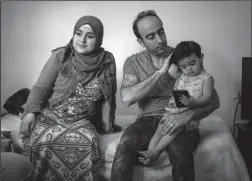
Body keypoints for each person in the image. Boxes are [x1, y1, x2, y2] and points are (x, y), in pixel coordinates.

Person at [111, 10, 219, 181]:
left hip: (180, 118)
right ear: (141, 41)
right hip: (146, 119)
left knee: (181, 153)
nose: (160, 40)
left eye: (161, 31)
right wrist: (161, 72)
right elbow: (127, 98)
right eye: (151, 36)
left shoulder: (183, 56)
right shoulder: (133, 62)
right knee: (124, 149)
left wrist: (188, 115)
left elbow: (214, 100)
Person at [20, 15, 121, 181]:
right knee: (42, 139)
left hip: (82, 120)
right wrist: (29, 112)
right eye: (78, 33)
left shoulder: (107, 60)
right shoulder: (61, 55)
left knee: (88, 141)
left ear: (99, 39)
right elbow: (41, 87)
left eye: (90, 36)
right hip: (51, 115)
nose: (82, 40)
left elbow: (110, 96)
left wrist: (107, 123)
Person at [139, 41, 215, 165]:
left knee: (173, 129)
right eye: (183, 66)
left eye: (192, 63)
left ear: (201, 58)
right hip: (173, 111)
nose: (189, 69)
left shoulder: (206, 79)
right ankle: (149, 153)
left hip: (188, 119)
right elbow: (170, 69)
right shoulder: (181, 75)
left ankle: (156, 151)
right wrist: (173, 59)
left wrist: (193, 102)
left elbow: (207, 98)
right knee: (160, 128)